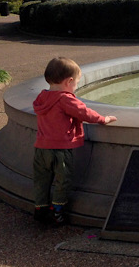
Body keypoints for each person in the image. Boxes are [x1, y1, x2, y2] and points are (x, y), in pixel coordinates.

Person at [32, 57, 117, 225]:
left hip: (41, 148)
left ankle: (40, 209)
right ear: (69, 81)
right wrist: (103, 119)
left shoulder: (42, 97)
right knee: (63, 180)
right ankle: (57, 211)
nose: (76, 88)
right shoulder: (65, 99)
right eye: (76, 84)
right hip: (60, 150)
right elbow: (84, 112)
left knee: (42, 180)